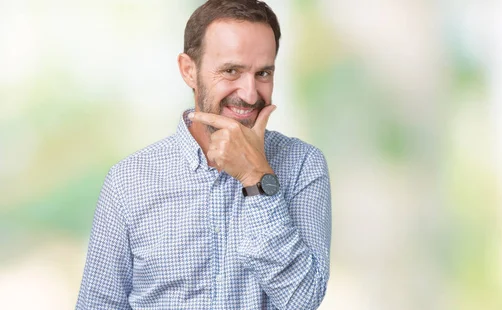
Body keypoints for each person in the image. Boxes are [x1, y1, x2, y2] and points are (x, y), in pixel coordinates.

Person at [75, 0, 331, 309]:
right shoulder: (128, 180)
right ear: (189, 71)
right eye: (231, 70)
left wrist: (256, 178)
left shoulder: (304, 165)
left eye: (263, 73)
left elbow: (302, 301)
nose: (250, 94)